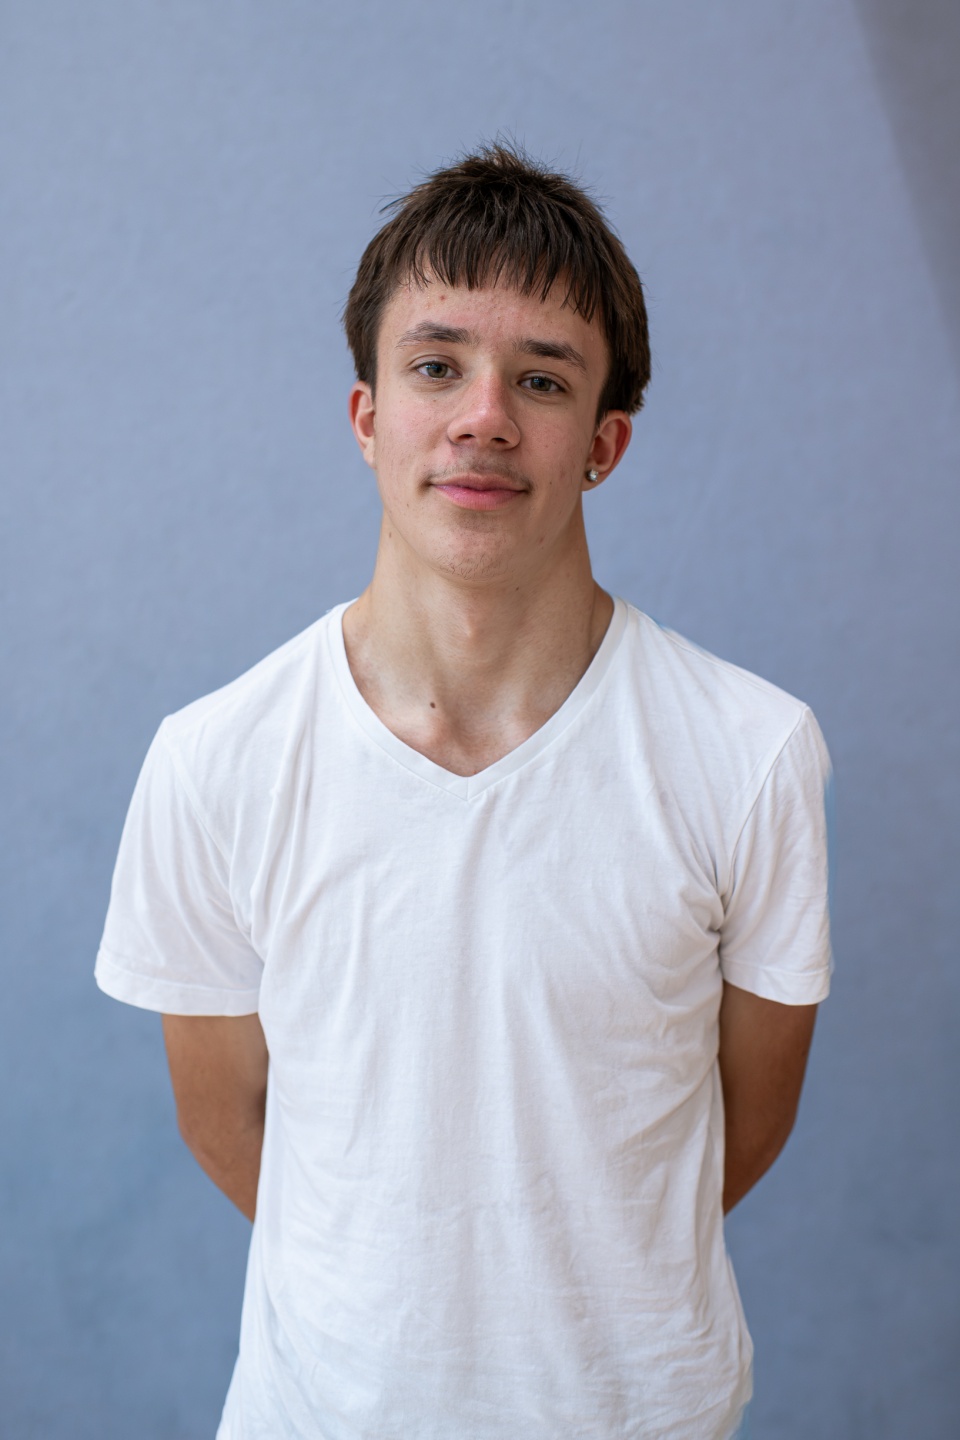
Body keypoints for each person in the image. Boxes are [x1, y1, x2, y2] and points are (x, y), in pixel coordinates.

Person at [96, 143, 831, 1440]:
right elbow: (226, 1121)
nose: (484, 416)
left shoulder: (750, 754)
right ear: (367, 416)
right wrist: (410, 1298)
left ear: (604, 444)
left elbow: (742, 1127)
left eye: (541, 380)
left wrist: (571, 1271)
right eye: (436, 366)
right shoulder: (216, 761)